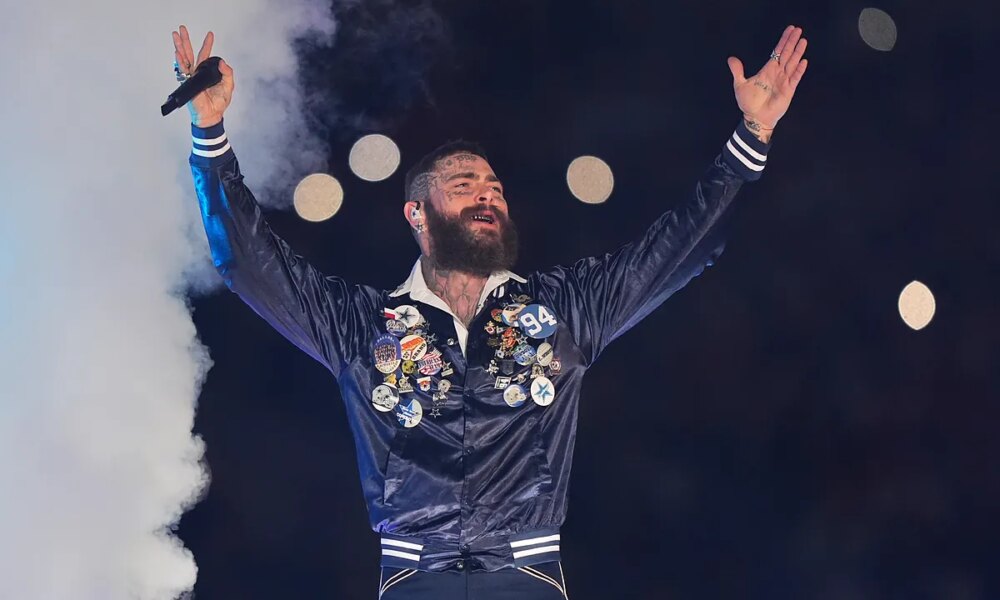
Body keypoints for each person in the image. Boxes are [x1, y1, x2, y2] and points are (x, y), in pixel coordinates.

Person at [173, 23, 808, 599]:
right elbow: (250, 264)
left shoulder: (563, 311)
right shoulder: (361, 326)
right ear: (418, 215)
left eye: (495, 189)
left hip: (527, 576)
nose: (487, 196)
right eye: (464, 186)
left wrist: (750, 138)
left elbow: (677, 249)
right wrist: (211, 136)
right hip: (413, 579)